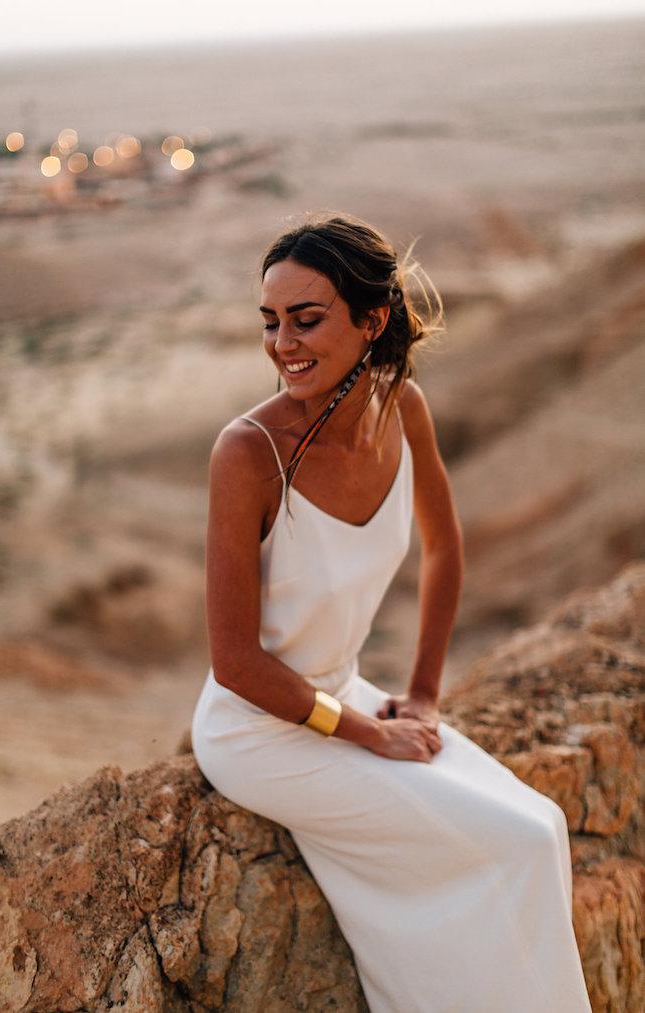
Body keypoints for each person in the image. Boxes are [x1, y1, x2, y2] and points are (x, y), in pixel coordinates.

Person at [191, 212, 592, 1012]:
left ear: (371, 320)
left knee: (541, 827)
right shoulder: (247, 453)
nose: (281, 344)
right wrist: (373, 731)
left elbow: (444, 548)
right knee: (510, 843)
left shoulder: (401, 407)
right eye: (270, 322)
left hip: (344, 698)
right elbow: (234, 663)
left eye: (306, 319)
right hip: (257, 732)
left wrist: (425, 694)